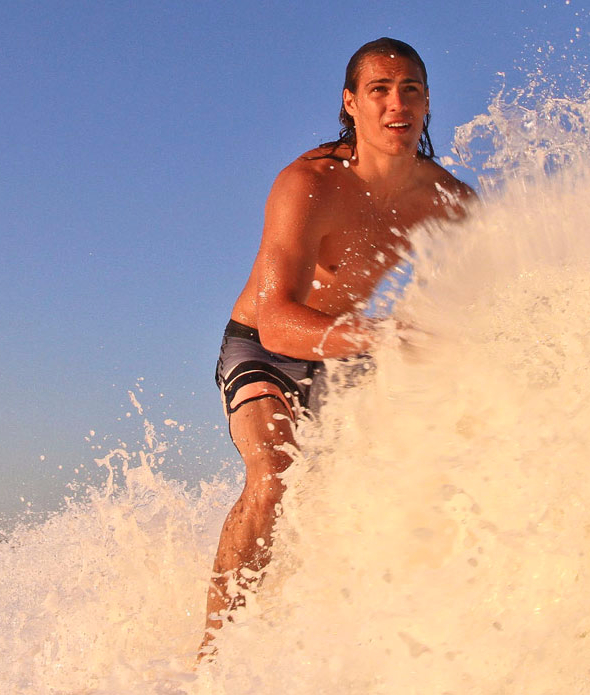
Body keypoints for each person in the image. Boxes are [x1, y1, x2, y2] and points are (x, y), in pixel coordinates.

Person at [202, 38, 474, 650]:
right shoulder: (310, 184)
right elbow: (275, 320)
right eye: (378, 90)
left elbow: (493, 291)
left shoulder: (448, 202)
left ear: (427, 102)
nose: (395, 103)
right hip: (264, 346)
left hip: (350, 357)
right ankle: (210, 661)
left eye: (409, 90)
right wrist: (387, 337)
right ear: (351, 104)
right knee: (273, 474)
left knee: (396, 483)